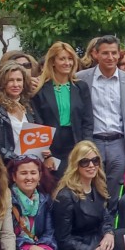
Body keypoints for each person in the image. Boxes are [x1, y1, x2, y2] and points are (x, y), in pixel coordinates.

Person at [76, 35, 125, 209]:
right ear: (95, 54)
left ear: (119, 54)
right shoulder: (81, 78)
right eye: (105, 53)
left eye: (114, 53)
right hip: (92, 141)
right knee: (91, 186)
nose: (110, 57)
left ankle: (112, 229)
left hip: (119, 143)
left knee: (115, 189)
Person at [52, 141, 116, 250]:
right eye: (85, 162)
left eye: (95, 160)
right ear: (76, 165)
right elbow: (63, 239)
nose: (91, 165)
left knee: (124, 237)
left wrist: (109, 233)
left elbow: (105, 217)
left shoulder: (97, 185)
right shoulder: (65, 196)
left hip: (96, 239)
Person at [31, 41, 94, 177]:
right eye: (62, 59)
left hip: (75, 143)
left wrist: (86, 148)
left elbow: (87, 120)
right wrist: (46, 154)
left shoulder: (80, 87)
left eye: (70, 59)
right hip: (51, 146)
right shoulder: (40, 88)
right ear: (53, 62)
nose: (67, 63)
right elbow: (37, 122)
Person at [9, 154, 58, 250]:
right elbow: (6, 235)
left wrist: (41, 249)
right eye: (24, 173)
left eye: (33, 173)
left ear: (40, 176)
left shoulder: (44, 200)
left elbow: (49, 231)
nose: (29, 177)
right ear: (14, 177)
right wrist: (30, 248)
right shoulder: (7, 200)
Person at [0, 63, 38, 159]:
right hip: (7, 164)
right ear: (2, 83)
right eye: (10, 80)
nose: (15, 84)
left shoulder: (29, 106)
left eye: (19, 80)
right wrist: (16, 160)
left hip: (30, 163)